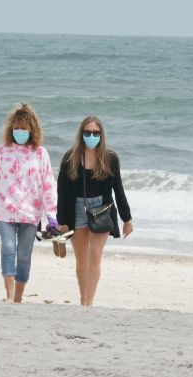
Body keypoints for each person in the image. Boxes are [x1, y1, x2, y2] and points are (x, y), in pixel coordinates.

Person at [0, 102, 58, 303]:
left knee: (24, 257)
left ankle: (18, 298)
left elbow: (48, 185)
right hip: (5, 212)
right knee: (8, 249)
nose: (19, 132)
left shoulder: (41, 154)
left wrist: (51, 215)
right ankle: (8, 295)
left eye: (23, 129)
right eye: (16, 128)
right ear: (10, 129)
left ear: (32, 130)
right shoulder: (2, 152)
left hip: (31, 214)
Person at [56, 116, 133, 306]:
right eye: (88, 133)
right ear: (81, 134)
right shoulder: (70, 158)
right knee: (82, 261)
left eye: (95, 133)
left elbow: (118, 189)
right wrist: (61, 221)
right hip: (77, 210)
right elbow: (62, 192)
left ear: (101, 135)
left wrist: (127, 218)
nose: (91, 136)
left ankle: (89, 302)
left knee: (96, 255)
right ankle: (83, 299)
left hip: (102, 209)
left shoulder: (110, 158)